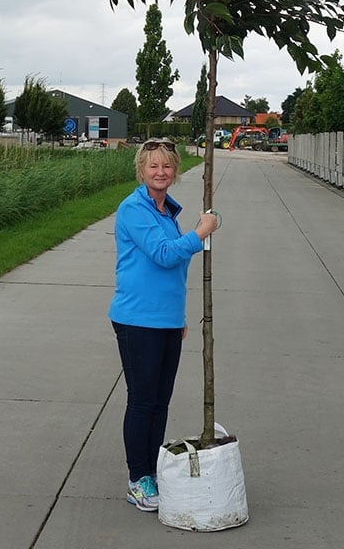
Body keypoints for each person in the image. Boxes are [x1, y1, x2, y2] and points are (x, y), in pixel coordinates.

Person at [108, 138, 220, 512]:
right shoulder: (134, 209)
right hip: (137, 320)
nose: (161, 172)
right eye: (153, 166)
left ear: (175, 171)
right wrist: (201, 232)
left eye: (167, 166)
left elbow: (172, 274)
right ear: (141, 171)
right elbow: (164, 255)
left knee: (160, 401)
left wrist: (179, 318)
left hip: (166, 321)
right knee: (142, 401)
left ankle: (153, 471)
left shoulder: (166, 212)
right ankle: (137, 479)